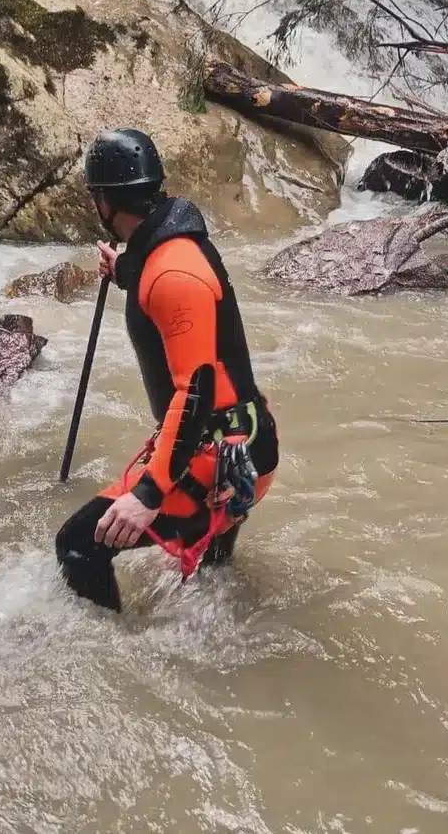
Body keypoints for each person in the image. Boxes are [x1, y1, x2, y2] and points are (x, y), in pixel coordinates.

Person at [55, 128, 279, 611]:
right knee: (209, 584)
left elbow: (192, 392)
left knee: (79, 544)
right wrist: (123, 271)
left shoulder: (174, 275)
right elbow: (159, 285)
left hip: (218, 456)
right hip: (238, 443)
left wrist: (149, 494)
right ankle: (226, 608)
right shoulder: (167, 247)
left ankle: (110, 669)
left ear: (104, 203)